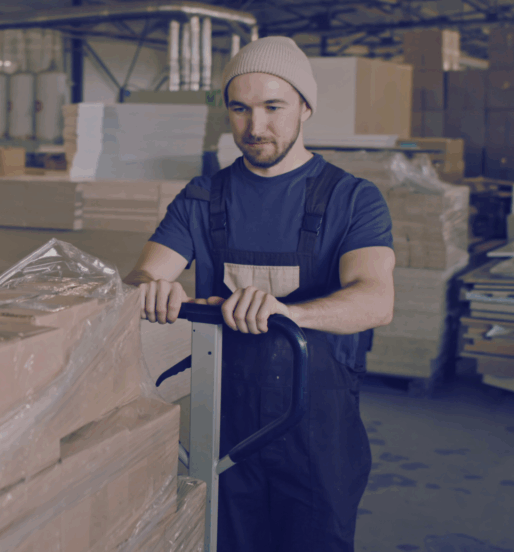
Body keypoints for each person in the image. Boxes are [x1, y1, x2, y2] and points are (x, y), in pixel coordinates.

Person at [124, 36, 396, 552]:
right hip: (223, 417)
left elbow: (375, 298)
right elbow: (142, 276)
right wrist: (152, 289)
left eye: (274, 107)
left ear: (306, 107)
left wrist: (285, 314)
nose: (256, 127)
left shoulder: (352, 198)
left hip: (318, 425)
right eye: (240, 108)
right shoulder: (203, 197)